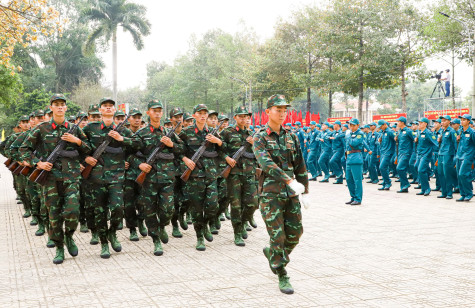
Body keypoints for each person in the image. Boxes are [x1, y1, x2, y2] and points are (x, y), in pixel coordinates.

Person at [19, 94, 91, 264]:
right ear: (51, 108)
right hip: (50, 178)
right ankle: (59, 247)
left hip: (71, 177)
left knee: (72, 211)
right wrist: (38, 163)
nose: (59, 107)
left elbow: (88, 150)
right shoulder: (41, 129)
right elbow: (23, 150)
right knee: (54, 215)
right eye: (56, 104)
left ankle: (69, 237)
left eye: (62, 105)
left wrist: (77, 141)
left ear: (66, 108)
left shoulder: (75, 129)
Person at [252, 94, 308, 294]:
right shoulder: (260, 137)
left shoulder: (291, 136)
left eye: (285, 110)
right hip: (270, 194)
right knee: (278, 236)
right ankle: (281, 272)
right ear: (268, 112)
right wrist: (289, 180)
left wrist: (305, 191)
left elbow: (300, 164)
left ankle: (275, 256)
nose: (282, 113)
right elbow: (266, 163)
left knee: (295, 234)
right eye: (278, 109)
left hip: (291, 194)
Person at [82, 97, 136, 259]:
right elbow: (79, 146)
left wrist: (122, 140)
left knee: (118, 208)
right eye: (104, 106)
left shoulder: (123, 130)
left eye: (110, 107)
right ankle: (104, 243)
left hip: (116, 177)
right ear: (100, 110)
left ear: (114, 110)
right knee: (100, 212)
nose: (107, 109)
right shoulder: (90, 129)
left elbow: (137, 147)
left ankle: (113, 233)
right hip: (96, 178)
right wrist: (84, 159)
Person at [133, 101, 183, 256]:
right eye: (154, 111)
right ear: (148, 112)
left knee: (168, 209)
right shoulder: (141, 133)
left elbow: (182, 149)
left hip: (167, 177)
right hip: (149, 179)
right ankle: (156, 240)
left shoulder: (169, 132)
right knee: (149, 210)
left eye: (159, 111)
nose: (157, 113)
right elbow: (130, 153)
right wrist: (140, 165)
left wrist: (171, 144)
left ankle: (162, 226)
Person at [179, 104, 223, 251]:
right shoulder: (186, 132)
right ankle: (199, 236)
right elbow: (177, 150)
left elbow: (224, 150)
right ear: (195, 115)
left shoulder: (213, 132)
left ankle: (205, 225)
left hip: (211, 175)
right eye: (200, 113)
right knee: (197, 209)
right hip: (194, 176)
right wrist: (185, 159)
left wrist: (218, 142)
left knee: (213, 205)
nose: (204, 116)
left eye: (206, 113)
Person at [221, 106, 258, 246]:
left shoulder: (252, 134)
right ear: (235, 117)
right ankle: (237, 233)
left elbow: (260, 153)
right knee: (236, 205)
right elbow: (218, 149)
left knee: (252, 203)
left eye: (245, 116)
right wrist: (226, 158)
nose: (243, 119)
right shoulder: (227, 132)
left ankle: (243, 223)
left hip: (249, 172)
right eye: (240, 116)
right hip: (234, 174)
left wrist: (254, 145)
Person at [414, 118, 439, 196]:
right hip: (419, 154)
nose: (419, 124)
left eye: (421, 123)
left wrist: (435, 152)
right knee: (416, 167)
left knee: (421, 170)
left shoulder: (428, 133)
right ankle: (423, 188)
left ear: (425, 124)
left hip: (426, 155)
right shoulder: (419, 132)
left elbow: (435, 143)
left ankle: (427, 188)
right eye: (419, 123)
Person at [437, 115, 458, 199]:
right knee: (440, 173)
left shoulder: (452, 131)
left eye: (445, 121)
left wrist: (455, 157)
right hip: (441, 154)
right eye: (442, 121)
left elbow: (455, 144)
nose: (443, 122)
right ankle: (444, 192)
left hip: (448, 155)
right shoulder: (442, 131)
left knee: (447, 174)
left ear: (449, 121)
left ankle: (449, 193)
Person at [344, 118, 364, 205]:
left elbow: (354, 143)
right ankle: (353, 197)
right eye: (350, 125)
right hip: (349, 158)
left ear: (357, 126)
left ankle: (358, 198)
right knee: (349, 179)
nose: (351, 127)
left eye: (353, 125)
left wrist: (348, 136)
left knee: (357, 180)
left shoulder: (360, 134)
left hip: (356, 158)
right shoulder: (350, 134)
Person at [455, 114, 475, 201]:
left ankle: (469, 193)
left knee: (462, 174)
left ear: (468, 121)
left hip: (467, 156)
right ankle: (463, 194)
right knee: (459, 176)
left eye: (464, 119)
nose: (461, 121)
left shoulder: (472, 132)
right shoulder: (460, 131)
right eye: (461, 119)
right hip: (459, 155)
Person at [395, 117, 414, 193]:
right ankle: (404, 187)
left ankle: (406, 183)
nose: (397, 123)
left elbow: (414, 140)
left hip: (406, 153)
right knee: (401, 169)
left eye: (398, 122)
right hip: (400, 152)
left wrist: (413, 152)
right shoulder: (400, 131)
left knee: (399, 168)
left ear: (402, 122)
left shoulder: (408, 131)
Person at [377, 120, 396, 190]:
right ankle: (385, 184)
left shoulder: (390, 132)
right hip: (383, 152)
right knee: (384, 168)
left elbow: (396, 140)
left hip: (388, 152)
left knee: (382, 167)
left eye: (381, 126)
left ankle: (388, 182)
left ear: (385, 124)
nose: (381, 128)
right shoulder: (382, 132)